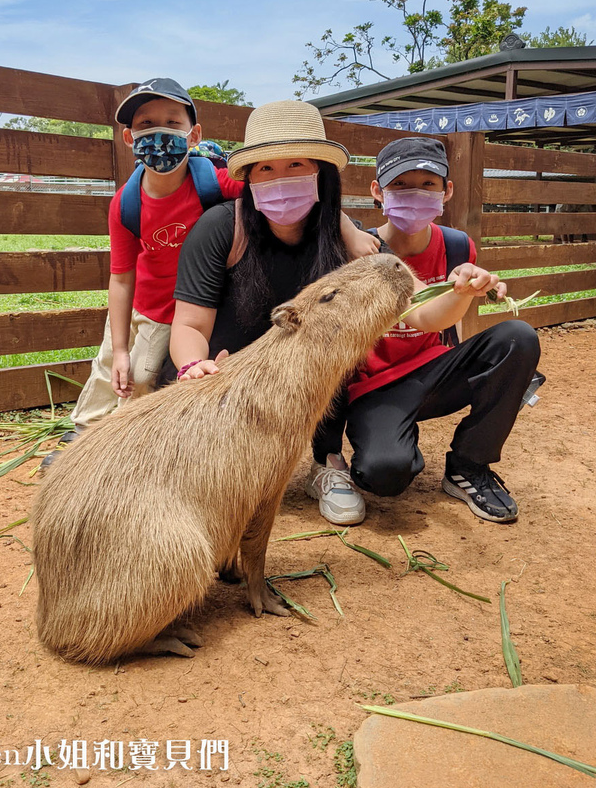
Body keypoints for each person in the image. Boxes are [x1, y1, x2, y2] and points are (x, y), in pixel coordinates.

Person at [168, 104, 498, 525]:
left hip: (309, 380)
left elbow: (419, 312)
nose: (280, 178)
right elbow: (190, 324)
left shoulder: (352, 241)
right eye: (264, 168)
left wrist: (460, 291)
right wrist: (195, 367)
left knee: (339, 346)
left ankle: (327, 461)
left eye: (295, 164)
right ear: (248, 178)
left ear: (320, 173)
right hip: (225, 375)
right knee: (216, 489)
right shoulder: (219, 228)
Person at [51, 85, 376, 464]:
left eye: (173, 123)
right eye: (146, 125)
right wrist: (120, 346)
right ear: (128, 137)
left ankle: (128, 442)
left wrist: (346, 226)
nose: (160, 134)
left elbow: (282, 189)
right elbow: (121, 277)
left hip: (187, 305)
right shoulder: (126, 202)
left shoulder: (212, 181)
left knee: (141, 378)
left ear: (195, 134)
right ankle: (83, 433)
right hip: (149, 305)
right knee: (111, 367)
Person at [311, 136, 541, 526]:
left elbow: (441, 320)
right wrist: (458, 292)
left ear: (446, 191)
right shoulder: (358, 248)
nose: (413, 194)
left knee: (517, 337)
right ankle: (381, 443)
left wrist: (467, 287)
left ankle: (469, 465)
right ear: (377, 192)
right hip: (374, 386)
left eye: (427, 184)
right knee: (386, 474)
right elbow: (421, 312)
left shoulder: (456, 245)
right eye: (399, 185)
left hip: (433, 371)